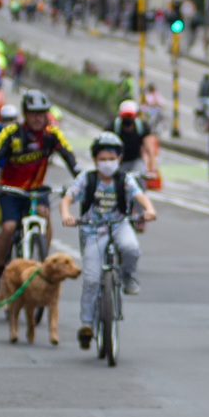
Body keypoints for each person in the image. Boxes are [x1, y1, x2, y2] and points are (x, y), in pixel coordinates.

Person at [59, 132, 156, 351]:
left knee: (131, 248)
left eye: (111, 158)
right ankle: (86, 324)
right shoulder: (87, 179)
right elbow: (68, 198)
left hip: (120, 224)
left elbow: (140, 196)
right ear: (95, 160)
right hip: (92, 230)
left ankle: (128, 277)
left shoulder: (125, 179)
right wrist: (66, 214)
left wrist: (149, 210)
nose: (107, 163)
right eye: (102, 159)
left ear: (119, 159)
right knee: (92, 279)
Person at [0, 89, 79, 291]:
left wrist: (81, 177)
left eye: (42, 113)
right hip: (11, 190)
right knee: (8, 227)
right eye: (33, 113)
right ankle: (1, 266)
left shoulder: (52, 134)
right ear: (25, 114)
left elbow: (69, 155)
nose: (38, 118)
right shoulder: (11, 132)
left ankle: (43, 261)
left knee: (45, 217)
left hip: (36, 190)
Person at [113, 99, 158, 178]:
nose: (128, 119)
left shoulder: (142, 127)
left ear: (136, 115)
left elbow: (150, 149)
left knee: (140, 181)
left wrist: (152, 170)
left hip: (135, 161)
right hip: (118, 162)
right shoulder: (113, 127)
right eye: (125, 116)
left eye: (130, 116)